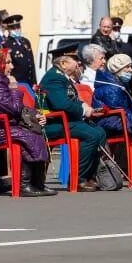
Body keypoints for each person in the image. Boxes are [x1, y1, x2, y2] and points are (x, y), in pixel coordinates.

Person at [0, 48, 54, 197]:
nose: (12, 66)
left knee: (33, 133)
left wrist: (35, 114)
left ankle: (37, 183)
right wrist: (14, 89)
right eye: (8, 62)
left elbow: (13, 107)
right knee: (28, 137)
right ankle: (25, 184)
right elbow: (12, 108)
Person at [38, 45, 108, 191]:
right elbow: (61, 104)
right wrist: (83, 110)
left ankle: (90, 176)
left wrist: (85, 107)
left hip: (64, 120)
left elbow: (72, 99)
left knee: (100, 131)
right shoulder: (54, 78)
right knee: (92, 135)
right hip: (53, 122)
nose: (79, 63)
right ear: (63, 64)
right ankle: (78, 179)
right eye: (74, 59)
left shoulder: (62, 77)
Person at [3, 14, 36, 89]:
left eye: (18, 27)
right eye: (13, 28)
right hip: (16, 82)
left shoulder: (25, 41)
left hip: (29, 82)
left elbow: (31, 63)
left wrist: (34, 82)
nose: (17, 29)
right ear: (8, 29)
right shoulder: (6, 43)